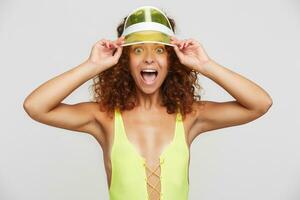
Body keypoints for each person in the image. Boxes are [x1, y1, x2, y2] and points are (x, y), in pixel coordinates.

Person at [23, 5, 273, 200]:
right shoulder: (104, 117)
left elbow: (260, 103)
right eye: (138, 50)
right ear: (124, 60)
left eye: (160, 50)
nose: (150, 59)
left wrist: (206, 65)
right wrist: (92, 66)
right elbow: (35, 106)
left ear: (172, 60)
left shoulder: (189, 116)